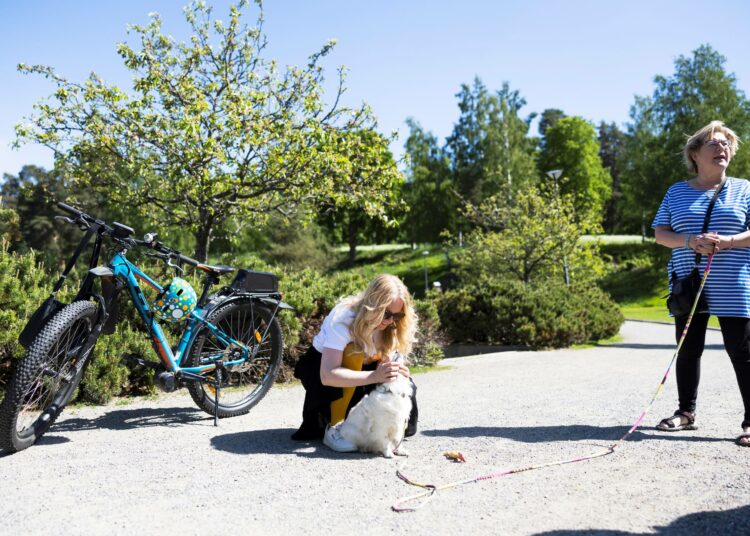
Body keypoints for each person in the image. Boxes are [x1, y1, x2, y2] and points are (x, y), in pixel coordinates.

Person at [652, 120, 750, 447]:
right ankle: (685, 413)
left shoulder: (744, 189)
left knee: (743, 351)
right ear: (695, 154)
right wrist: (690, 241)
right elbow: (660, 234)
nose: (722, 148)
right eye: (714, 144)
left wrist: (730, 241)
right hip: (689, 284)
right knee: (688, 349)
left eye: (727, 145)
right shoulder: (676, 191)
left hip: (734, 285)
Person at [291, 274, 418, 452]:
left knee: (409, 422)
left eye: (398, 315)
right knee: (353, 353)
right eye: (386, 313)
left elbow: (387, 360)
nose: (391, 321)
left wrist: (396, 370)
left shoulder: (392, 324)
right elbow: (328, 375)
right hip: (327, 375)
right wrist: (375, 376)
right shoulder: (344, 318)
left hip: (363, 372)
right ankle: (335, 427)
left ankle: (389, 436)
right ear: (373, 306)